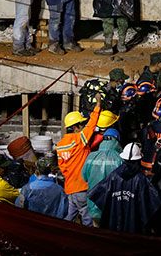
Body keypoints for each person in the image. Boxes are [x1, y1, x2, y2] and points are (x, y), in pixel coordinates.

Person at [88, 143, 161, 234]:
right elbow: (152, 206)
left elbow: (99, 196)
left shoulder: (113, 176)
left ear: (123, 158)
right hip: (135, 230)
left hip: (114, 227)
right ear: (139, 159)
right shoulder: (141, 180)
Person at [56, 93, 101, 226]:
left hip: (70, 188)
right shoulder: (79, 139)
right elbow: (92, 125)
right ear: (76, 126)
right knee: (87, 219)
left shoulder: (60, 145)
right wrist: (98, 105)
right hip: (81, 187)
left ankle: (61, 233)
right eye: (81, 124)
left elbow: (63, 168)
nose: (83, 126)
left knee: (70, 216)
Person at [82, 128, 123, 223]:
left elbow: (84, 177)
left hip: (93, 205)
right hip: (113, 206)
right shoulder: (120, 158)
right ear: (117, 141)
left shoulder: (91, 156)